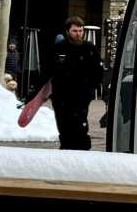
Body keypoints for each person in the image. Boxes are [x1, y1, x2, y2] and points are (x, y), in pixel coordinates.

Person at [42, 16, 105, 150]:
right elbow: (48, 71)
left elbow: (98, 71)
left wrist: (90, 87)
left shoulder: (89, 48)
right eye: (75, 31)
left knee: (80, 125)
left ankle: (82, 151)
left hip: (81, 95)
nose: (78, 34)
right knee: (64, 126)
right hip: (61, 95)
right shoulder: (59, 48)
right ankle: (66, 151)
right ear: (67, 31)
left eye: (81, 31)